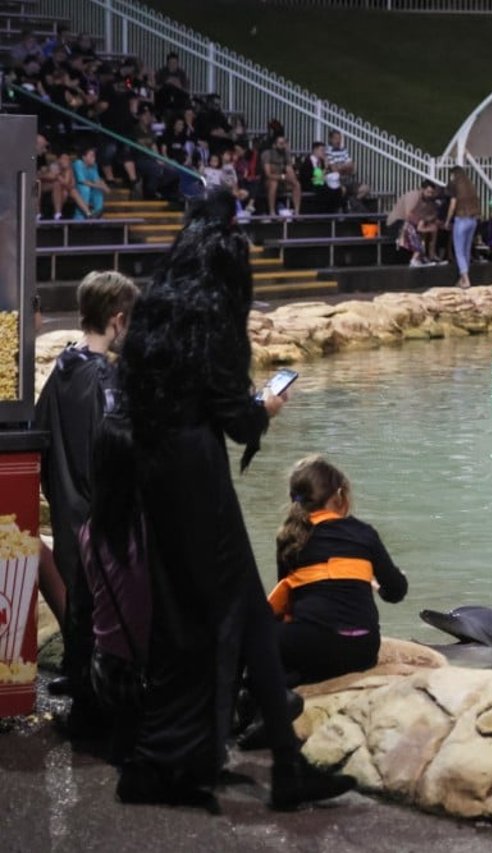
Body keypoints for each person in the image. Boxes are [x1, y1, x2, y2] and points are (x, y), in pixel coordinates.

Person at [90, 190, 354, 809]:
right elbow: (233, 416)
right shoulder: (213, 308)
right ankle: (193, 765)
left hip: (155, 468)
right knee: (223, 616)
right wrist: (264, 408)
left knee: (209, 615)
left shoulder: (157, 302)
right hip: (194, 470)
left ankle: (262, 763)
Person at [34, 271, 140, 737]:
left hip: (64, 500)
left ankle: (77, 675)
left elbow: (41, 431)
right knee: (102, 603)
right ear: (118, 320)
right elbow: (114, 450)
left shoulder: (62, 366)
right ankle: (94, 689)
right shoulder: (105, 379)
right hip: (96, 509)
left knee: (78, 595)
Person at [268, 455, 407, 686]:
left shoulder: (289, 537)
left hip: (311, 645)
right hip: (363, 651)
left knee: (254, 633)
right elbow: (397, 592)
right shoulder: (365, 533)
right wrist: (380, 587)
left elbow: (288, 599)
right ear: (340, 496)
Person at [444, 166, 481, 288]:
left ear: (454, 174)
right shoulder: (470, 185)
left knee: (459, 251)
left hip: (461, 219)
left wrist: (447, 221)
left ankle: (466, 280)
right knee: (466, 250)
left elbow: (453, 205)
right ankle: (462, 278)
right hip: (473, 220)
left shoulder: (455, 185)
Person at [261, 134, 301, 217]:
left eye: (284, 143)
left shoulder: (286, 153)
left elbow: (289, 170)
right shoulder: (267, 154)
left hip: (282, 180)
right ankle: (272, 212)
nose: (283, 146)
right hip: (268, 181)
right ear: (274, 145)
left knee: (297, 184)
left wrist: (293, 180)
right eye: (281, 143)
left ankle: (297, 212)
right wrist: (282, 177)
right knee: (274, 183)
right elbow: (268, 174)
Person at [71, 145, 108, 219]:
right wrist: (99, 186)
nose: (94, 158)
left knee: (98, 191)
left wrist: (104, 186)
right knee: (85, 189)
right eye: (91, 156)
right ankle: (82, 215)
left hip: (89, 186)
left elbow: (97, 180)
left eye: (94, 156)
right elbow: (82, 181)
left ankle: (97, 214)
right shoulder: (78, 163)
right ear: (84, 157)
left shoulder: (94, 166)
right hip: (75, 187)